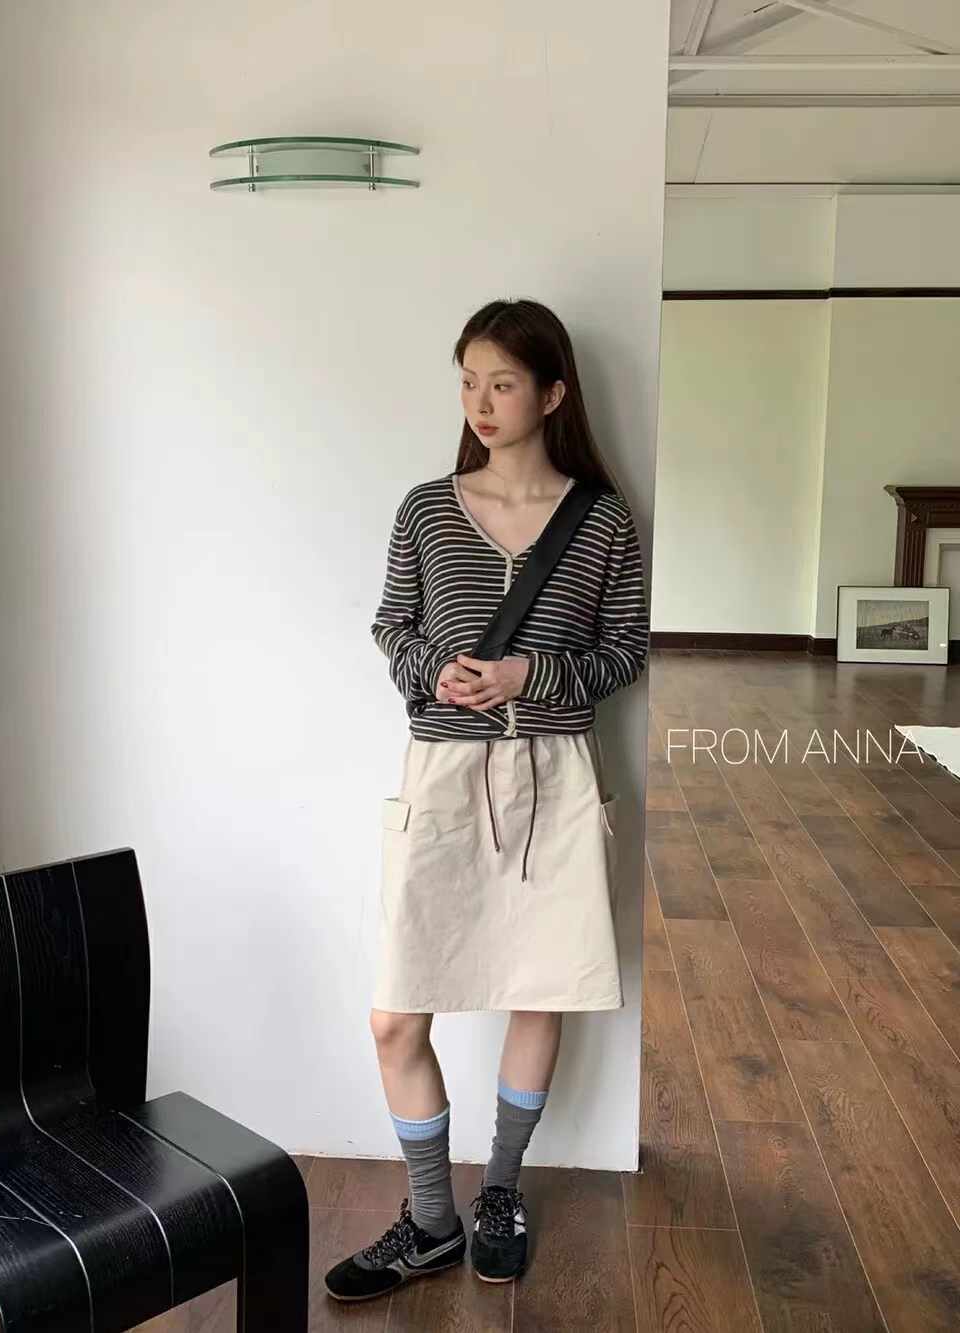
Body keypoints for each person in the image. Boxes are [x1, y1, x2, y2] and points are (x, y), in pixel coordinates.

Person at [324, 298, 649, 1304]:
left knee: (539, 989)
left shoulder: (601, 519)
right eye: (468, 381)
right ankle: (431, 1219)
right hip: (444, 777)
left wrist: (525, 676)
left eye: (502, 382)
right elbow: (391, 625)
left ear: (551, 393)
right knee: (394, 1017)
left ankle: (499, 1191)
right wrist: (434, 670)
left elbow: (625, 652)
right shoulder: (427, 508)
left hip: (555, 779)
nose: (480, 401)